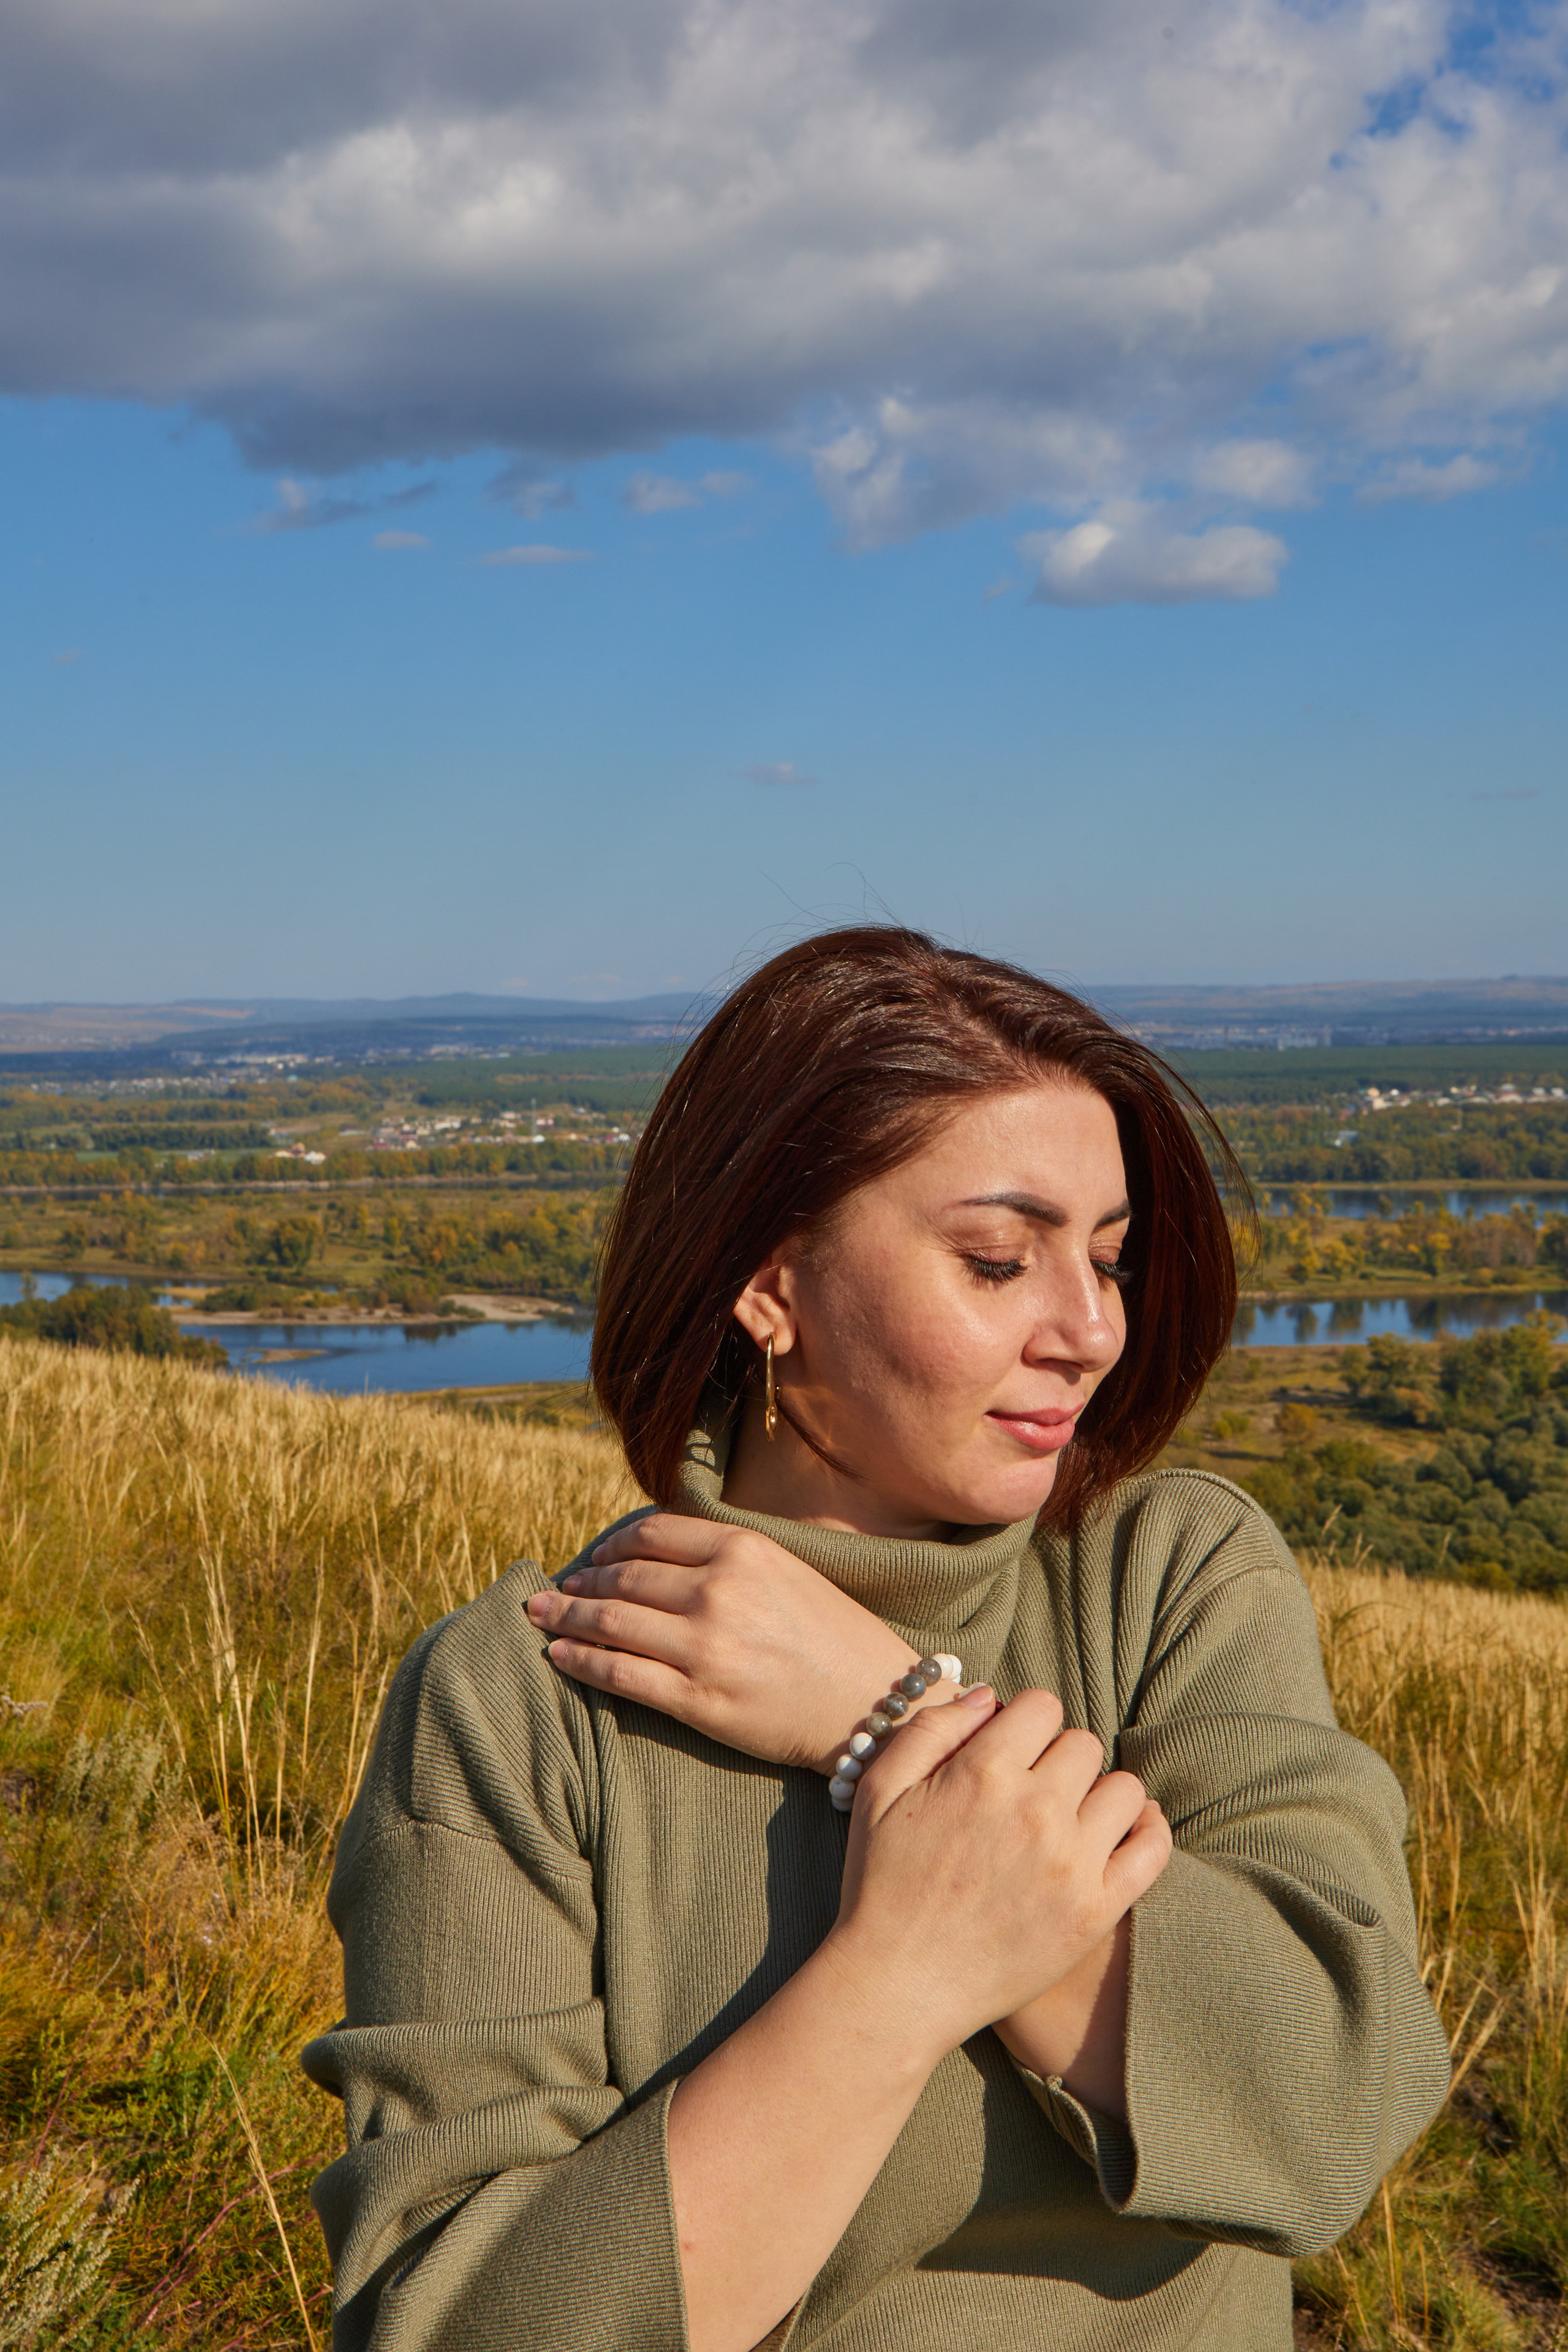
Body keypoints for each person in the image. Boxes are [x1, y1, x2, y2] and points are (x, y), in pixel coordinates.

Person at [304, 927, 1451, 2352]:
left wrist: (886, 1716)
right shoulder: (520, 1699)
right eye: (994, 1260)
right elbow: (461, 2328)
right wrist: (900, 1976)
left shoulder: (1165, 1580)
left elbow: (1330, 2117)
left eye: (1106, 1258)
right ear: (766, 1282)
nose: (1088, 1329)